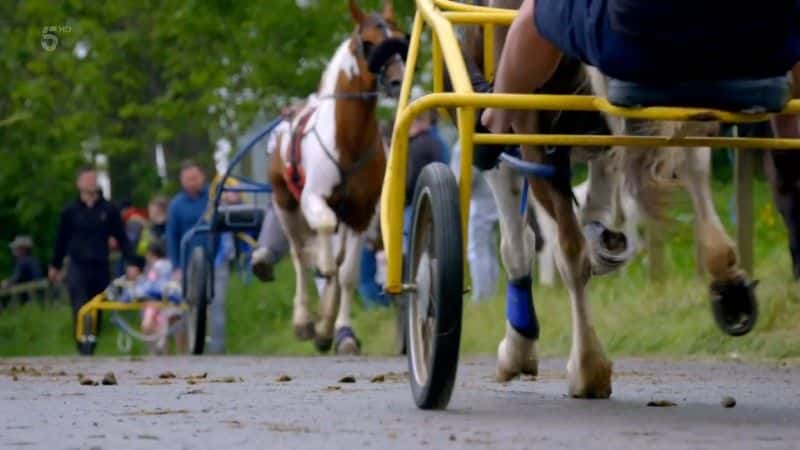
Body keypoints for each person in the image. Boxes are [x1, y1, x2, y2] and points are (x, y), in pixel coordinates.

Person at [481, 0, 800, 139]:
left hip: (638, 57)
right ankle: (790, 128)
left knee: (535, 9)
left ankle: (496, 120)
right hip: (760, 67)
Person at [50, 166, 137, 353]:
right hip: (78, 265)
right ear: (79, 183)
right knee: (80, 305)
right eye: (87, 179)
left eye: (93, 179)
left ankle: (92, 344)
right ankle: (82, 344)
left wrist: (132, 262)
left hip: (100, 264)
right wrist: (55, 266)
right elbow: (61, 240)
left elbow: (122, 238)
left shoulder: (109, 209)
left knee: (96, 306)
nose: (91, 183)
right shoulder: (70, 211)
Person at [166, 161, 209, 275]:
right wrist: (176, 267)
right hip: (189, 262)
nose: (192, 183)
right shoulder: (176, 205)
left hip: (216, 260)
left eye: (195, 178)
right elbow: (172, 237)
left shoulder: (214, 198)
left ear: (202, 177)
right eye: (188, 179)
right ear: (182, 181)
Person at [2, 236, 43, 306]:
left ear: (23, 249)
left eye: (16, 248)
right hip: (37, 295)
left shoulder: (23, 262)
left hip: (28, 296)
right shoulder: (33, 260)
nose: (13, 250)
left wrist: (6, 282)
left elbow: (17, 278)